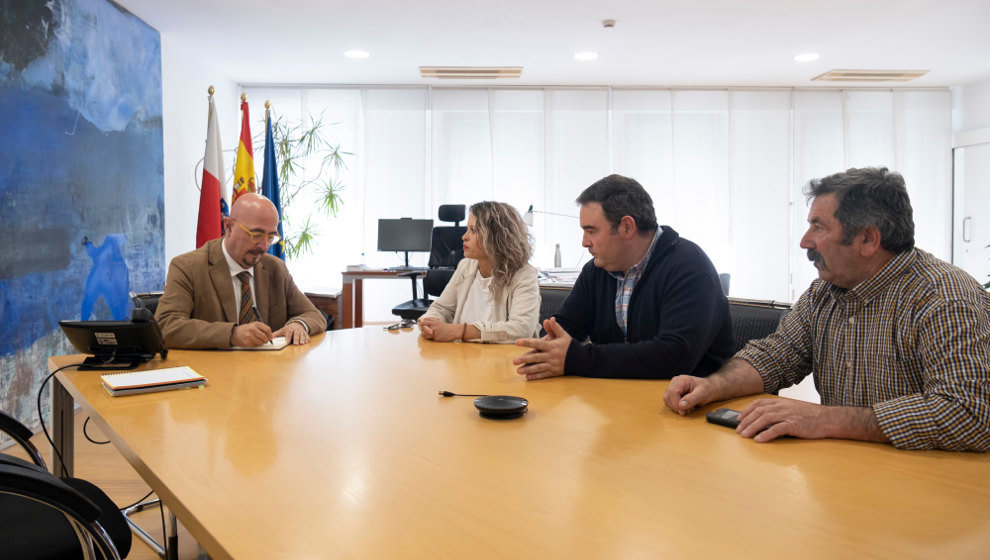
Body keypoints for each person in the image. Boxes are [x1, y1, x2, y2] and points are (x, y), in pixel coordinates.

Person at [664, 167, 990, 451]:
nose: (805, 241)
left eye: (818, 227)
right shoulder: (826, 292)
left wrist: (826, 419)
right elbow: (776, 356)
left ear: (868, 240)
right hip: (846, 474)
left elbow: (969, 415)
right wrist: (711, 385)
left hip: (929, 491)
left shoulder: (945, 300)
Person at [513, 174, 733, 379]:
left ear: (627, 227)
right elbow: (566, 327)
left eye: (592, 231)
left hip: (691, 407)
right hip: (619, 401)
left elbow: (674, 356)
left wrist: (577, 358)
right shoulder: (596, 271)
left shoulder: (689, 267)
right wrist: (548, 346)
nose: (584, 242)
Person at [156, 193, 326, 349]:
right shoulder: (187, 267)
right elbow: (166, 325)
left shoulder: (275, 268)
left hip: (269, 373)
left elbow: (313, 314)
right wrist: (232, 334)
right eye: (256, 234)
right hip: (214, 373)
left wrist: (298, 324)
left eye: (270, 237)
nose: (263, 246)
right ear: (228, 226)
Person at [418, 201, 540, 343]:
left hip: (503, 360)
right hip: (462, 356)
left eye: (473, 230)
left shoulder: (524, 275)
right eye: (467, 229)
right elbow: (442, 308)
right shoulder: (466, 266)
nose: (464, 236)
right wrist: (430, 323)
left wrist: (459, 331)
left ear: (496, 237)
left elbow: (519, 330)